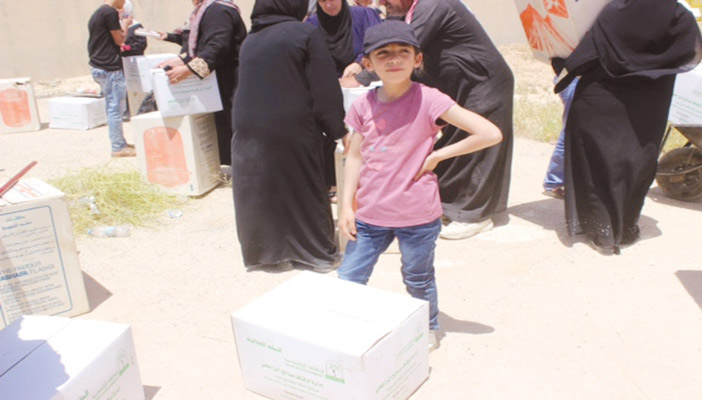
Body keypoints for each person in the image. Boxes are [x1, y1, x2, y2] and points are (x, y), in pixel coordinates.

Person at [337, 22, 502, 348]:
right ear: (368, 63)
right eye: (383, 53)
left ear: (417, 59)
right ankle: (346, 328)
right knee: (348, 277)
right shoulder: (362, 105)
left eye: (403, 51)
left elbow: (489, 133)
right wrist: (345, 206)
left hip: (417, 215)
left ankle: (427, 326)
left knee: (418, 278)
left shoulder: (429, 99)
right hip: (369, 214)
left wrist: (438, 155)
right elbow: (353, 156)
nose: (394, 59)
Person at [553, 0, 701, 255]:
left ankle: (602, 231)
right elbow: (691, 54)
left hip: (600, 101)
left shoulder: (614, 13)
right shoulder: (680, 18)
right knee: (636, 164)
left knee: (596, 164)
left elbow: (584, 56)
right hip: (649, 108)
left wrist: (559, 64)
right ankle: (624, 227)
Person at [379, 0, 515, 240]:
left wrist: (364, 76)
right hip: (458, 87)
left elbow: (405, 47)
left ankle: (475, 216)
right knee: (455, 146)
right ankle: (453, 205)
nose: (381, 2)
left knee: (476, 151)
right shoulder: (413, 10)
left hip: (482, 84)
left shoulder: (434, 4)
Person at [231, 0, 346, 272]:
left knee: (261, 187)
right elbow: (324, 88)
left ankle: (264, 252)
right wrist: (338, 128)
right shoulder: (305, 33)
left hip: (247, 125)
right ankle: (317, 254)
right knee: (303, 185)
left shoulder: (251, 40)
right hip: (291, 124)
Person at [306, 0, 381, 200]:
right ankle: (334, 183)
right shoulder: (312, 24)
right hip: (330, 90)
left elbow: (378, 46)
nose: (329, 5)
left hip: (364, 89)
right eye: (323, 1)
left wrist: (360, 64)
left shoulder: (363, 16)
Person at [159, 0, 247, 170]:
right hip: (217, 80)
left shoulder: (219, 10)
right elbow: (200, 46)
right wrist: (181, 60)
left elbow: (218, 47)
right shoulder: (206, 10)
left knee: (229, 124)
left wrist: (189, 69)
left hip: (229, 80)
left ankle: (237, 168)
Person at [87, 0, 135, 157]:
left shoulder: (100, 12)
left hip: (99, 65)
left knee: (112, 107)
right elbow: (120, 39)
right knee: (115, 108)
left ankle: (120, 142)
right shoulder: (110, 12)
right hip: (109, 67)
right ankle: (118, 147)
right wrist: (126, 24)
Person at [542, 77, 578, 200]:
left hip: (572, 77)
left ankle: (555, 182)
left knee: (573, 130)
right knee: (570, 130)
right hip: (573, 78)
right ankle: (554, 183)